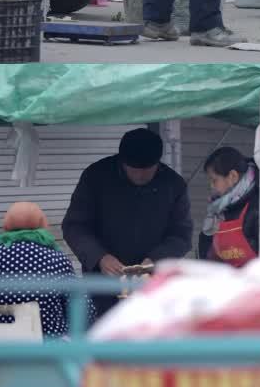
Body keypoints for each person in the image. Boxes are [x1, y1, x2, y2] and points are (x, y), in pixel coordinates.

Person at [61, 128, 192, 317]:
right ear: (121, 162)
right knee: (105, 337)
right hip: (103, 284)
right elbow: (75, 226)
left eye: (146, 171)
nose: (139, 176)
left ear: (158, 164)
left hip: (152, 285)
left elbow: (181, 235)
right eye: (133, 170)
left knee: (150, 338)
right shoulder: (96, 176)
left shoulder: (174, 184)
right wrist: (100, 257)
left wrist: (155, 261)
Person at [0, 202, 90, 339]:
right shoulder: (56, 260)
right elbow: (83, 309)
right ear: (43, 225)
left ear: (5, 227)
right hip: (48, 352)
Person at [197, 147, 260, 265]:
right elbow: (208, 258)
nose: (211, 186)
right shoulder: (219, 210)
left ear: (233, 176)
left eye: (214, 180)